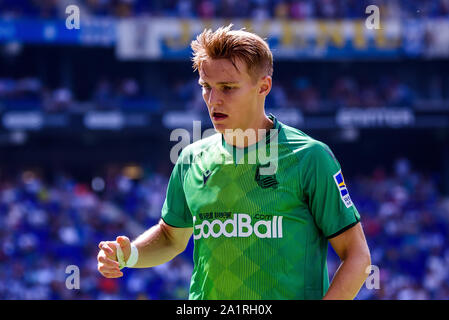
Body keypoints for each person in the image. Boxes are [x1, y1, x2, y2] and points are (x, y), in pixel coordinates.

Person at [97, 24, 371, 300]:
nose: (213, 100)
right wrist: (130, 253)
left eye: (227, 88)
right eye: (206, 87)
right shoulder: (191, 158)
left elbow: (357, 255)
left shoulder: (310, 158)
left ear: (263, 86)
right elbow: (170, 237)